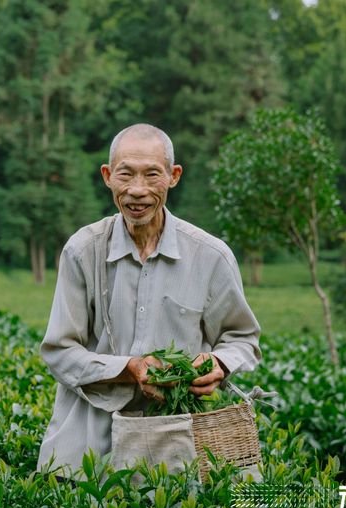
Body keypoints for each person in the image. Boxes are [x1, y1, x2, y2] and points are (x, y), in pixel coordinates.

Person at [37, 124, 261, 475]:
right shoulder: (83, 251)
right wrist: (130, 369)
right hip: (88, 444)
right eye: (125, 175)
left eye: (152, 175)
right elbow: (60, 352)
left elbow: (242, 338)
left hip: (177, 440)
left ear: (173, 176)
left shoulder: (210, 256)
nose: (137, 190)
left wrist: (219, 363)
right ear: (108, 177)